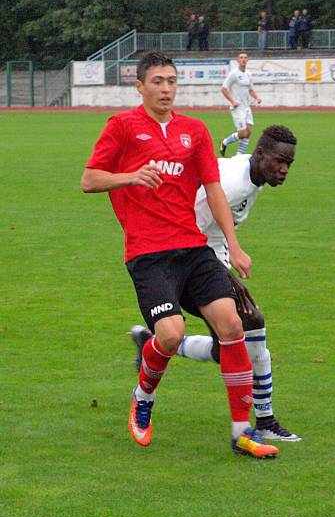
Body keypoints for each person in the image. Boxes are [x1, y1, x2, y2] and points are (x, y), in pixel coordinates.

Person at [80, 51, 277, 459]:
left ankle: (242, 432)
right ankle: (143, 397)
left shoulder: (195, 130)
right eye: (157, 81)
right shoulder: (122, 126)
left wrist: (234, 245)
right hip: (148, 253)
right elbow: (89, 179)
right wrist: (130, 176)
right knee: (168, 335)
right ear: (140, 85)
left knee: (231, 323)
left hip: (192, 247)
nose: (166, 88)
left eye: (171, 81)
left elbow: (214, 189)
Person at [131, 125, 301, 443]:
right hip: (180, 256)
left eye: (289, 164)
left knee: (235, 346)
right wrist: (220, 273)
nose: (284, 169)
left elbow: (216, 230)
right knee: (250, 327)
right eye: (280, 161)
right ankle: (263, 421)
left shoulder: (252, 176)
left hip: (206, 251)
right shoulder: (234, 183)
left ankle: (154, 343)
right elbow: (189, 225)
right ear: (260, 154)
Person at [219, 53, 262, 156]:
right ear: (238, 60)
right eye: (241, 58)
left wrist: (257, 97)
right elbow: (224, 89)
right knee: (242, 133)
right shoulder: (233, 73)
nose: (243, 59)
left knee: (248, 133)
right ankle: (224, 142)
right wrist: (233, 101)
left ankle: (239, 156)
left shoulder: (248, 74)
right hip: (237, 108)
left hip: (246, 107)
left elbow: (251, 89)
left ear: (247, 60)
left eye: (245, 57)